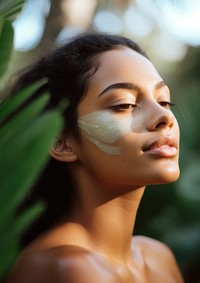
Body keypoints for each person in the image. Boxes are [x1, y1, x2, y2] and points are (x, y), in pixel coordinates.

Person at [5, 33, 184, 283]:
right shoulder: (68, 268)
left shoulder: (158, 256)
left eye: (164, 100)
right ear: (61, 142)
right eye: (124, 104)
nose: (164, 117)